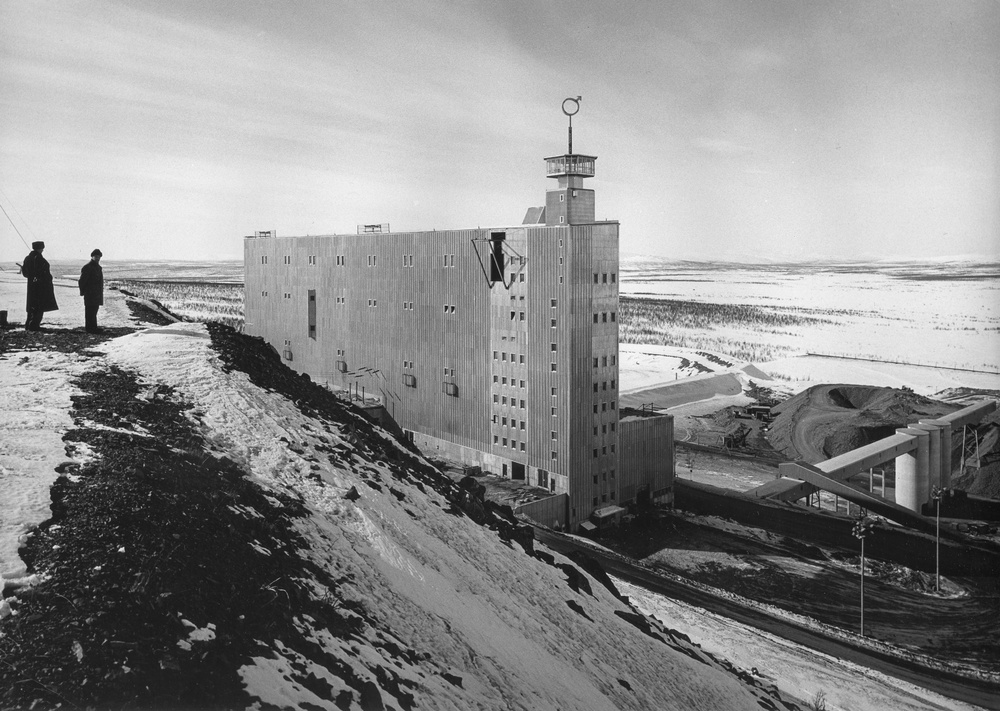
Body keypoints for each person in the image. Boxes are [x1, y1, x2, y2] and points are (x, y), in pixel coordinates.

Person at [21, 241, 57, 331]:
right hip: (41, 286)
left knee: (31, 306)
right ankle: (34, 326)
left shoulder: (28, 258)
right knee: (39, 306)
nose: (43, 250)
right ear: (40, 248)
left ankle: (28, 325)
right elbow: (42, 272)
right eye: (42, 248)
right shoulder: (38, 258)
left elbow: (25, 273)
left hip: (31, 285)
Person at [79, 248, 104, 333]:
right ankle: (89, 328)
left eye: (99, 257)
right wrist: (83, 291)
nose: (97, 258)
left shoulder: (98, 268)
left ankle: (93, 327)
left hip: (96, 293)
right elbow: (82, 281)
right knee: (90, 311)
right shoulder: (87, 267)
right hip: (90, 293)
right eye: (96, 256)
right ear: (92, 257)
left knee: (94, 310)